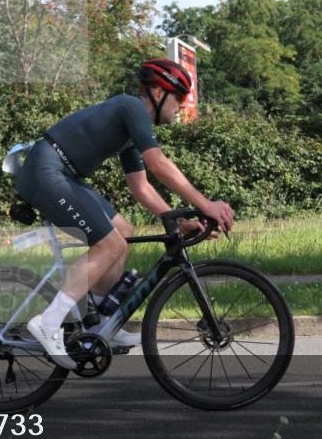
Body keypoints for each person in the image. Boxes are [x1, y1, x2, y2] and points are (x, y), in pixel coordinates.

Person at [14, 58, 235, 370]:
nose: (182, 107)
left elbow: (142, 187)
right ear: (158, 93)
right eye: (179, 99)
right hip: (47, 171)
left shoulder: (130, 127)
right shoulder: (131, 106)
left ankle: (104, 323)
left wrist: (176, 219)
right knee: (110, 245)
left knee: (124, 231)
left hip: (63, 174)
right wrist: (205, 204)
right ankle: (49, 322)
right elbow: (158, 163)